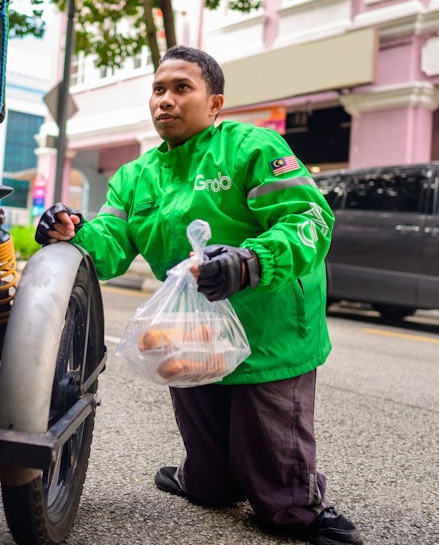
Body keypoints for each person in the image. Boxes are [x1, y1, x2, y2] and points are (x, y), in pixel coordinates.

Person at [35, 45, 362, 545]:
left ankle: (302, 505)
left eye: (181, 88)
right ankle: (206, 479)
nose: (165, 100)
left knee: (279, 500)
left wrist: (250, 261)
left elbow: (310, 220)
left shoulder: (254, 148)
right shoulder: (136, 177)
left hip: (267, 331)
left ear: (215, 104)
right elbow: (110, 245)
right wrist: (69, 233)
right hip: (192, 336)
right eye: (159, 89)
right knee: (210, 485)